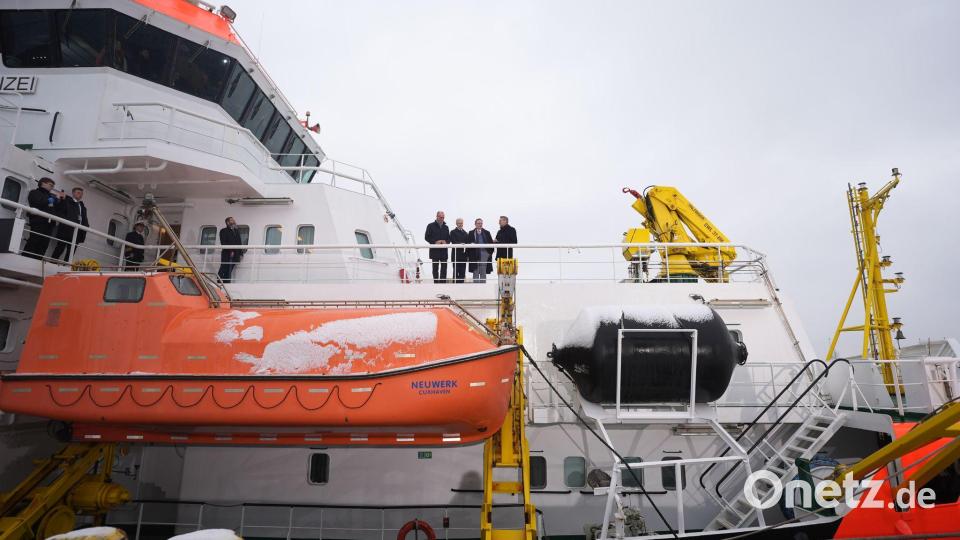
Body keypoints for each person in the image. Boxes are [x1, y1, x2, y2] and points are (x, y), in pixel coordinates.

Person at [23, 177, 64, 260]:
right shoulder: (34, 192)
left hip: (49, 224)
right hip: (38, 222)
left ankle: (37, 261)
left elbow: (56, 209)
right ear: (43, 183)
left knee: (44, 244)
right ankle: (26, 259)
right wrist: (52, 200)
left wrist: (61, 200)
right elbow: (37, 202)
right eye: (50, 185)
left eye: (53, 186)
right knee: (34, 241)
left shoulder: (51, 196)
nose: (52, 187)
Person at [51, 187, 90, 262]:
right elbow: (59, 212)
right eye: (78, 192)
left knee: (71, 253)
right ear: (73, 193)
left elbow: (84, 219)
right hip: (66, 230)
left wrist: (86, 226)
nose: (80, 195)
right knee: (60, 248)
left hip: (78, 232)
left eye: (81, 193)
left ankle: (66, 266)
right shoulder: (67, 202)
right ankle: (52, 263)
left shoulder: (82, 207)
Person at [424, 211, 450, 283]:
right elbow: (426, 237)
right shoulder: (430, 226)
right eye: (440, 217)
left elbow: (449, 238)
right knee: (435, 268)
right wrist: (435, 242)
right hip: (434, 251)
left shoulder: (446, 227)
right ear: (437, 216)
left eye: (443, 217)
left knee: (444, 268)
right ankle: (436, 283)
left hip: (444, 251)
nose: (442, 219)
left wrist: (446, 242)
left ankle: (442, 284)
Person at [466, 218, 494, 283]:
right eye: (478, 223)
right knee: (475, 271)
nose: (480, 225)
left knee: (483, 271)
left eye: (481, 223)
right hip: (474, 254)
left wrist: (489, 253)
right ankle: (476, 287)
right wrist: (468, 255)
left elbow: (491, 244)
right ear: (475, 224)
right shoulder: (471, 233)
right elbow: (468, 244)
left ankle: (483, 287)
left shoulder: (487, 232)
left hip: (484, 254)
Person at [218, 216, 245, 283]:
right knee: (223, 269)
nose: (234, 221)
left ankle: (226, 283)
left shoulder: (236, 231)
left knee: (229, 270)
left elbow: (239, 242)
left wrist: (241, 253)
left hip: (235, 254)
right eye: (232, 220)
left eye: (233, 220)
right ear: (227, 222)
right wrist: (231, 250)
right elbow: (223, 243)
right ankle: (218, 282)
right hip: (227, 254)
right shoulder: (223, 231)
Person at [449, 218, 469, 283]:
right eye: (459, 223)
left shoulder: (465, 233)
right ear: (456, 224)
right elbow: (453, 241)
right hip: (456, 256)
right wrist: (461, 244)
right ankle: (455, 287)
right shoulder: (452, 232)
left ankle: (461, 287)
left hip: (463, 256)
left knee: (462, 273)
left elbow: (467, 243)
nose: (460, 224)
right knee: (455, 273)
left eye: (461, 223)